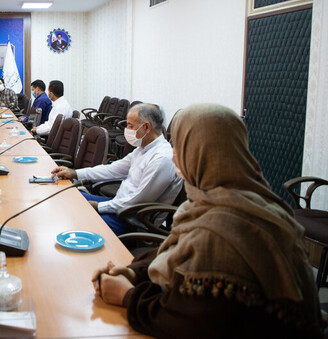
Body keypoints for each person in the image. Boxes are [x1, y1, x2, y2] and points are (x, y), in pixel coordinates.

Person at [91, 103, 323, 338]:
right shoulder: (235, 201)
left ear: (197, 154)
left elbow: (192, 322)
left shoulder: (226, 228)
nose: (173, 156)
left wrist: (128, 296)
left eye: (179, 147)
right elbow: (177, 248)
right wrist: (134, 272)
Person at [52, 104, 181, 235]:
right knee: (69, 196)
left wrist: (98, 206)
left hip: (132, 219)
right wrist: (75, 173)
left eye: (130, 126)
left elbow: (138, 200)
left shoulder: (162, 159)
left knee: (76, 222)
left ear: (147, 127)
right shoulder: (142, 149)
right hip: (118, 206)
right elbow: (112, 169)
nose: (127, 129)